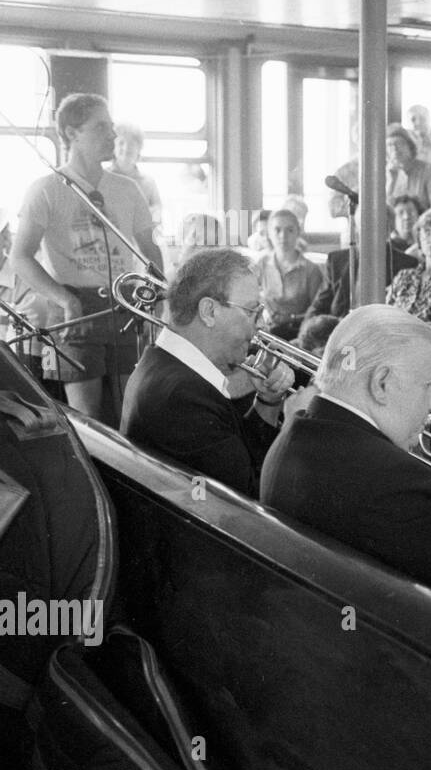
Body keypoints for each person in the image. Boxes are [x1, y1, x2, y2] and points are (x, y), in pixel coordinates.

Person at [260, 305, 431, 622]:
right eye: (427, 385)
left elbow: (410, 514)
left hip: (331, 622)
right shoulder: (391, 480)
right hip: (400, 647)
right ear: (381, 383)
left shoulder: (300, 432)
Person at [8, 92, 165, 422]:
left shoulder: (127, 189)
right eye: (101, 127)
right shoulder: (46, 189)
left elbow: (150, 247)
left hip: (123, 305)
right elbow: (21, 256)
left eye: (112, 126)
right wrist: (64, 300)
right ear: (71, 133)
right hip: (75, 311)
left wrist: (156, 294)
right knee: (87, 418)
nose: (112, 135)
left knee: (129, 413)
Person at [119, 249, 299, 499]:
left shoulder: (164, 365)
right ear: (209, 312)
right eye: (250, 312)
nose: (259, 326)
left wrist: (268, 401)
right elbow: (253, 497)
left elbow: (236, 453)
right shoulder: (183, 396)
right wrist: (296, 425)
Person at [253, 209, 324, 341]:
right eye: (277, 230)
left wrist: (291, 319)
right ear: (269, 233)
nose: (283, 236)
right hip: (267, 334)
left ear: (298, 232)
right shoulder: (260, 264)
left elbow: (318, 312)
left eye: (289, 230)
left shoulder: (311, 270)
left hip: (299, 335)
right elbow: (251, 301)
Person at [108, 121, 163, 227]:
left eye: (132, 143)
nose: (126, 148)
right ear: (113, 147)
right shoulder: (102, 178)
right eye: (121, 143)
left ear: (139, 149)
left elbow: (157, 215)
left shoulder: (148, 182)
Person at [385, 124, 431, 211]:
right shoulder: (383, 174)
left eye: (399, 143)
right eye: (390, 145)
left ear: (410, 146)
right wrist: (391, 183)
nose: (395, 149)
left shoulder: (429, 170)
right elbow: (383, 214)